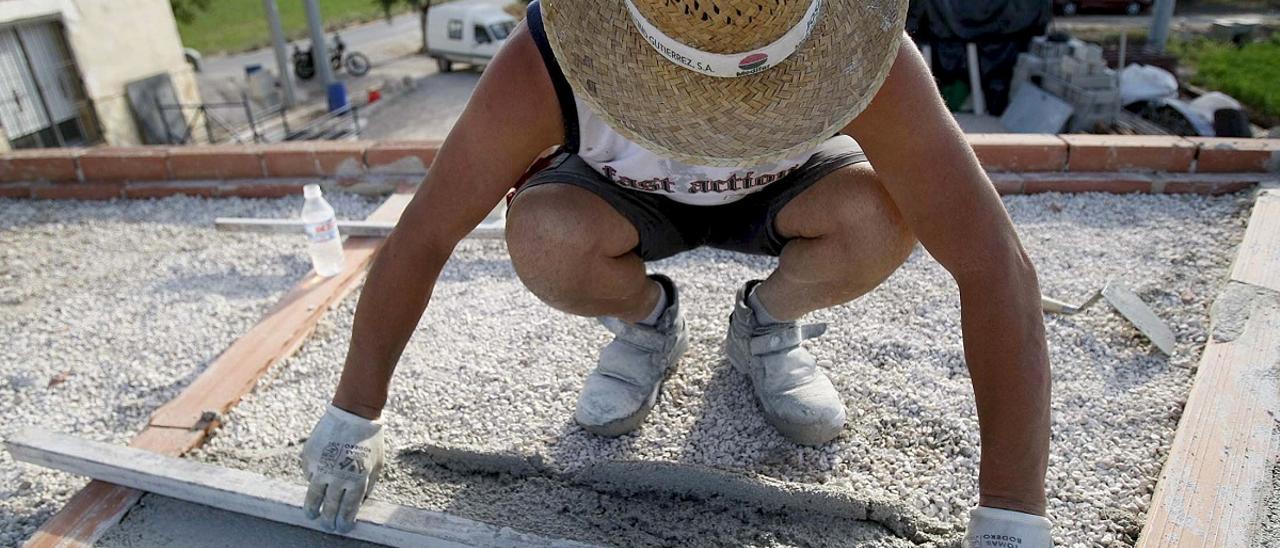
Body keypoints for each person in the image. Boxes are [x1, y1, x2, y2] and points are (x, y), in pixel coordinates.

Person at [299, 0, 1053, 544]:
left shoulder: (862, 51)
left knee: (881, 217)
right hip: (628, 203)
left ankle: (766, 327)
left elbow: (995, 265)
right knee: (545, 234)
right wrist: (351, 417)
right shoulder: (549, 57)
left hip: (787, 197)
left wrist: (1011, 516)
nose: (717, 126)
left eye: (749, 100)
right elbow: (426, 233)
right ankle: (646, 323)